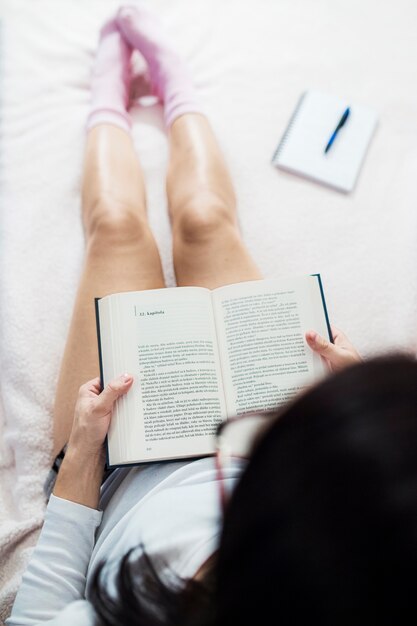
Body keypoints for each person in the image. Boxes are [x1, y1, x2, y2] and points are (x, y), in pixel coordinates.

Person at [5, 4, 362, 625]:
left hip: (113, 464)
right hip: (264, 446)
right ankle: (178, 91)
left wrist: (87, 447)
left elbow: (43, 601)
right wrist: (339, 414)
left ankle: (107, 99)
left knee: (117, 231)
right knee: (203, 221)